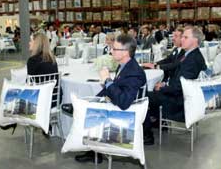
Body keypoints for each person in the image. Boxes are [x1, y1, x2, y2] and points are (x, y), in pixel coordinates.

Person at [75, 34, 147, 164]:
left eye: (114, 49)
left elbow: (124, 102)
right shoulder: (125, 66)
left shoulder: (134, 72)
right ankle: (94, 151)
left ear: (125, 52)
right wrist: (92, 101)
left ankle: (94, 151)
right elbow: (115, 89)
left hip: (124, 114)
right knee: (86, 109)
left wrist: (108, 81)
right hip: (118, 106)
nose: (111, 51)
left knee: (87, 115)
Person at [143, 26, 207, 145]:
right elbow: (178, 77)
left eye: (185, 37)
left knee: (144, 97)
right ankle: (158, 123)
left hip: (179, 102)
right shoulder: (190, 55)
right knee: (153, 91)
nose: (182, 39)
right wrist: (165, 84)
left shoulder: (192, 60)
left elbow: (179, 87)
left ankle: (147, 135)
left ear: (195, 41)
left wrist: (163, 87)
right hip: (180, 95)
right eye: (182, 37)